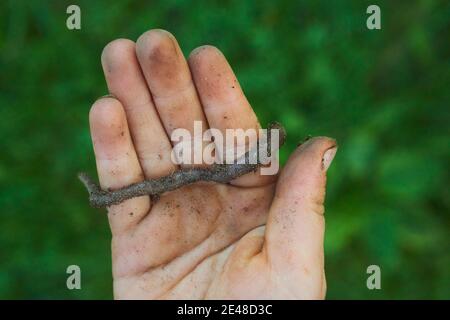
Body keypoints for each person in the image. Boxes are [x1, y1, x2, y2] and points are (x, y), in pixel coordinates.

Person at [88, 29, 337, 299]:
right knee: (173, 177)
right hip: (219, 171)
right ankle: (102, 197)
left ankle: (102, 197)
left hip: (223, 171)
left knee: (174, 177)